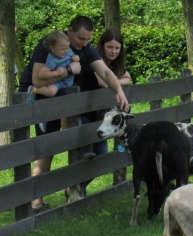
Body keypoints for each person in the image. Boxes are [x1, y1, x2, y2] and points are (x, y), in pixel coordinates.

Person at [18, 15, 130, 212]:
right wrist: (69, 70)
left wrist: (119, 91)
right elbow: (36, 80)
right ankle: (36, 201)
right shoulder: (50, 44)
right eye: (80, 38)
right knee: (46, 149)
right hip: (39, 101)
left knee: (91, 153)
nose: (84, 43)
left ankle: (72, 190)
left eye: (87, 39)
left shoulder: (86, 49)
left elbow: (105, 73)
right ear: (69, 31)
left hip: (65, 102)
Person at [97, 28, 133, 184]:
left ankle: (118, 181)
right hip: (95, 115)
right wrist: (117, 82)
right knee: (99, 153)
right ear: (102, 46)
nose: (113, 51)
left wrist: (114, 82)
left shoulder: (117, 64)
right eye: (109, 47)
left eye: (117, 48)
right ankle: (76, 190)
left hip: (112, 116)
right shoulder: (97, 62)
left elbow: (129, 79)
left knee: (115, 149)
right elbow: (102, 83)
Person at [30, 31, 80, 99]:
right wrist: (56, 73)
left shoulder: (68, 51)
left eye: (67, 48)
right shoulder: (52, 60)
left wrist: (76, 58)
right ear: (52, 49)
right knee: (51, 92)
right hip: (58, 83)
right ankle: (35, 90)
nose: (66, 51)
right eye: (62, 49)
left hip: (69, 83)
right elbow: (41, 74)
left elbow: (74, 57)